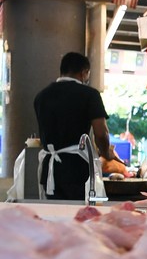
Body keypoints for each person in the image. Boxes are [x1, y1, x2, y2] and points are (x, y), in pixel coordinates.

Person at [32, 52, 123, 201]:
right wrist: (106, 153)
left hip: (50, 169)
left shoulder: (41, 96)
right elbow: (101, 132)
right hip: (77, 170)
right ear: (84, 73)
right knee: (79, 218)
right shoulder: (90, 95)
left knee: (54, 216)